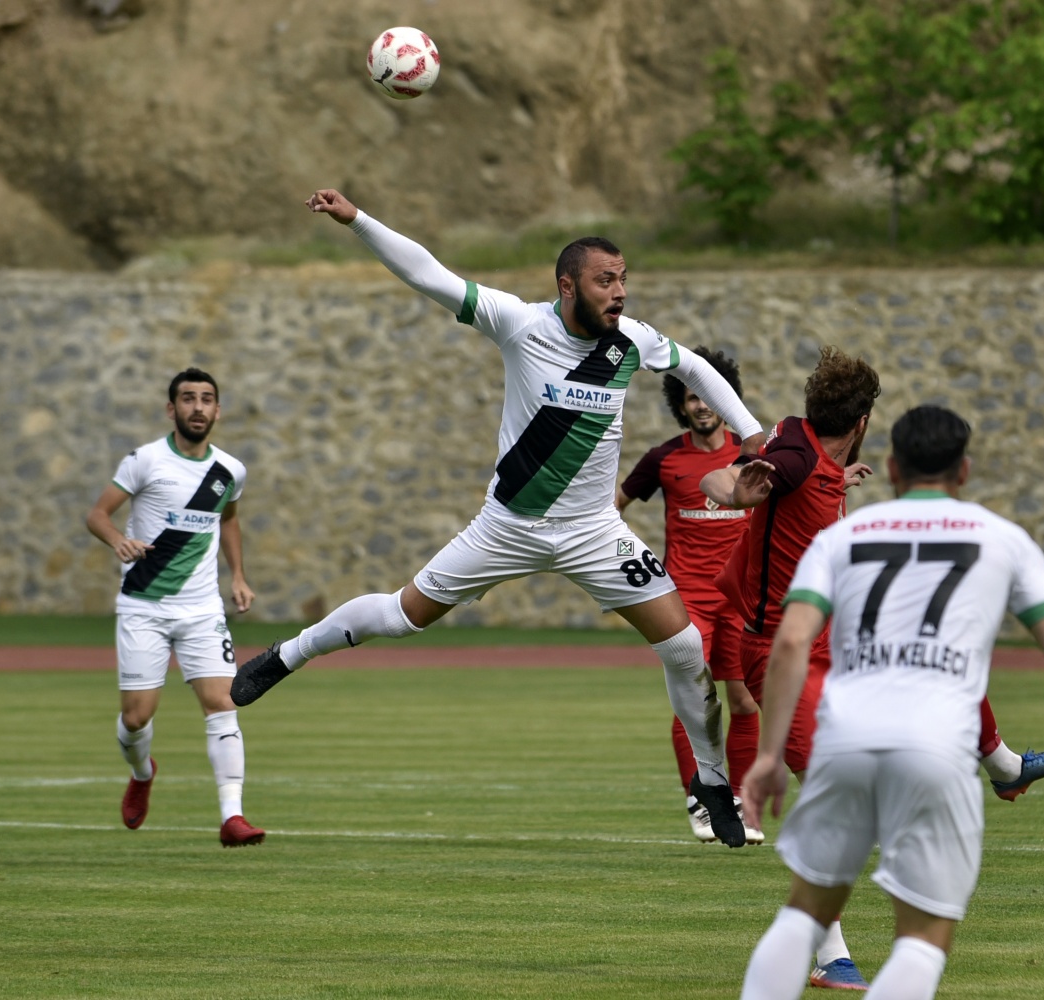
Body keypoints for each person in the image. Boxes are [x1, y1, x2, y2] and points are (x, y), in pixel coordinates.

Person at [230, 189, 766, 847]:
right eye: (605, 281)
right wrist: (358, 220)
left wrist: (751, 432)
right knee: (401, 616)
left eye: (624, 279)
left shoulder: (632, 342)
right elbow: (429, 274)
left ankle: (711, 784)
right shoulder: (518, 322)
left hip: (594, 532)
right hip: (508, 526)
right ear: (567, 286)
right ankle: (288, 654)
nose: (620, 292)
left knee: (683, 648)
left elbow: (697, 368)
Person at [737, 405, 1044, 1000]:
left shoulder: (842, 537)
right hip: (936, 744)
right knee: (921, 939)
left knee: (803, 911)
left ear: (890, 468)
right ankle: (1005, 767)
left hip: (845, 738)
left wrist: (768, 755)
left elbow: (788, 642)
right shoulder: (1002, 538)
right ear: (964, 471)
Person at [701, 345, 881, 988]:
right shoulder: (795, 459)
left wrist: (837, 480)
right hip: (777, 654)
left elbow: (789, 474)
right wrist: (733, 493)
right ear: (861, 421)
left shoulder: (804, 446)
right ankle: (827, 952)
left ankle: (998, 761)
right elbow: (725, 478)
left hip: (820, 645)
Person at [84, 367, 265, 848]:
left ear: (217, 410)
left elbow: (228, 520)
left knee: (223, 704)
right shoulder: (145, 460)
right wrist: (118, 540)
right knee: (136, 718)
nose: (197, 407)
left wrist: (238, 576)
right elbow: (97, 514)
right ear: (172, 409)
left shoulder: (230, 471)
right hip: (143, 606)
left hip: (202, 609)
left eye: (206, 399)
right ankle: (142, 772)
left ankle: (232, 817)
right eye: (188, 398)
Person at [616, 347, 762, 845]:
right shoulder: (663, 458)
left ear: (727, 399)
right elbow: (612, 506)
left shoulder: (752, 457)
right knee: (694, 697)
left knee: (744, 701)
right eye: (691, 397)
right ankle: (700, 802)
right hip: (687, 601)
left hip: (739, 601)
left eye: (708, 396)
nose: (701, 405)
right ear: (680, 405)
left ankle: (741, 805)